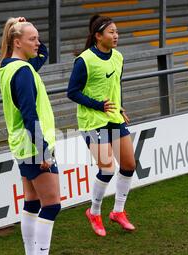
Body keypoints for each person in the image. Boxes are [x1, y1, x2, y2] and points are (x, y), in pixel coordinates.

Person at [0, 17, 60, 255]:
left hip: (22, 145)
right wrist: (43, 150)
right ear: (16, 41)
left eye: (37, 37)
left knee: (33, 202)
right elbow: (29, 114)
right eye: (33, 38)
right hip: (33, 146)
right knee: (52, 204)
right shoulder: (22, 71)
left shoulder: (9, 66)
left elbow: (43, 54)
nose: (38, 43)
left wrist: (25, 27)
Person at [67, 15, 136, 237]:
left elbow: (115, 86)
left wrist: (120, 107)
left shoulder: (118, 57)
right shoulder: (84, 60)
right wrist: (98, 105)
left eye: (116, 32)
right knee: (107, 168)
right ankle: (94, 212)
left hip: (113, 118)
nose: (116, 36)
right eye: (111, 32)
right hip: (92, 121)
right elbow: (72, 92)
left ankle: (118, 211)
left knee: (128, 165)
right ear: (98, 36)